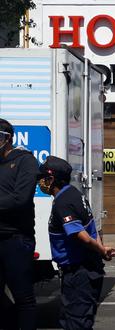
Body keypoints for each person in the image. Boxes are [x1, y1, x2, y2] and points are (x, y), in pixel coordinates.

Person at [37, 156, 115, 329]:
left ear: (52, 179)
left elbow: (80, 235)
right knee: (75, 320)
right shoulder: (75, 194)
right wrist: (101, 249)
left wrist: (101, 250)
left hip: (79, 272)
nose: (40, 182)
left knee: (76, 322)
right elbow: (91, 228)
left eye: (42, 178)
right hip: (86, 268)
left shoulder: (63, 203)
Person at [0, 118, 38, 330]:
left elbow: (20, 199)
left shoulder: (25, 161)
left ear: (8, 139)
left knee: (23, 297)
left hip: (16, 239)